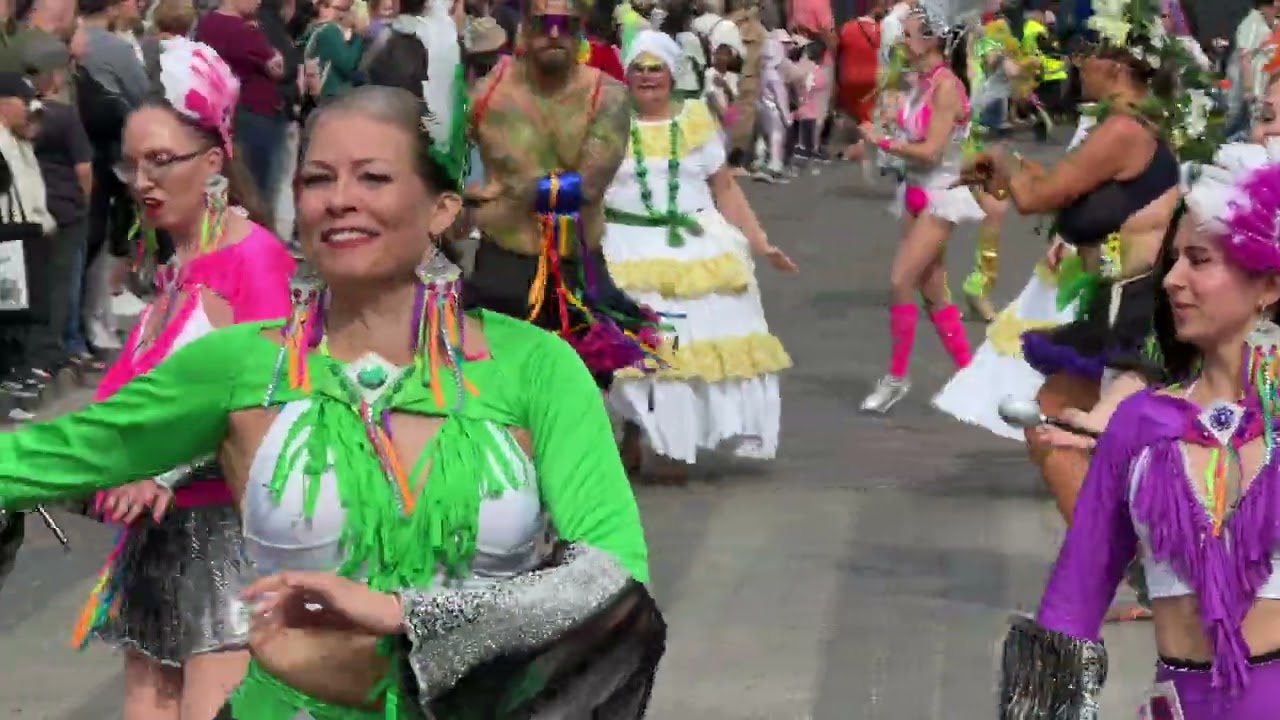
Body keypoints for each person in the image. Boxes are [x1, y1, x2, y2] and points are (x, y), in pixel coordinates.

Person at [0, 80, 666, 719]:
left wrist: (405, 615)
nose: (341, 199)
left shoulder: (533, 366)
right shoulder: (241, 365)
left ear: (441, 208)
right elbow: (46, 456)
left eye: (373, 177)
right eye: (318, 179)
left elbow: (612, 578)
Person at [999, 144, 1280, 720]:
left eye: (1199, 260)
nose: (1172, 280)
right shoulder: (1143, 424)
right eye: (1173, 260)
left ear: (1268, 285)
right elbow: (1073, 601)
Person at [73, 38, 295, 719]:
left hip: (231, 547)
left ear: (214, 159)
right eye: (131, 163)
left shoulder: (252, 259)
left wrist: (159, 473)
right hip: (156, 550)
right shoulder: (174, 270)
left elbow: (267, 398)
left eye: (161, 161)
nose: (141, 180)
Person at [958, 5, 1181, 522]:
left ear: (1116, 65)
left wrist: (1005, 160)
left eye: (1086, 54)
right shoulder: (1133, 120)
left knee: (1055, 427)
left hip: (1134, 307)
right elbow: (1066, 194)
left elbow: (1039, 197)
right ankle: (1115, 575)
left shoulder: (1124, 128)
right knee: (1070, 432)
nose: (1077, 64)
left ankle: (1106, 574)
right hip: (1120, 302)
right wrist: (1014, 174)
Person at [603, 30, 796, 484]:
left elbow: (724, 186)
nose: (648, 77)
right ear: (627, 75)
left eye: (657, 68)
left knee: (681, 352)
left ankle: (673, 442)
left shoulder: (694, 119)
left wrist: (761, 241)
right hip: (623, 248)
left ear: (672, 74)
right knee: (628, 352)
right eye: (639, 68)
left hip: (690, 250)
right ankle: (632, 434)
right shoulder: (608, 121)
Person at [466, 0, 660, 390]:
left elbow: (587, 185)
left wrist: (501, 192)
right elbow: (447, 169)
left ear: (581, 30)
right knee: (497, 398)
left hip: (577, 272)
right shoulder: (486, 96)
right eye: (543, 23)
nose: (554, 34)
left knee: (581, 402)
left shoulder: (608, 96)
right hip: (502, 268)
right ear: (524, 27)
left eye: (565, 25)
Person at [855, 0, 983, 414]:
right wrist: (883, 130)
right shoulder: (917, 82)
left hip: (940, 195)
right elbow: (905, 136)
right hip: (912, 194)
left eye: (907, 34)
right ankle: (974, 378)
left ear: (931, 40)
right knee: (933, 293)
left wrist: (885, 142)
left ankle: (896, 377)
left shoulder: (947, 87)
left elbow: (930, 152)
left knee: (899, 281)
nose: (901, 41)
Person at [195, 0, 288, 196]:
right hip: (255, 114)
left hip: (220, 115)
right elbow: (278, 68)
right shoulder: (243, 30)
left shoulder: (205, 25)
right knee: (257, 191)